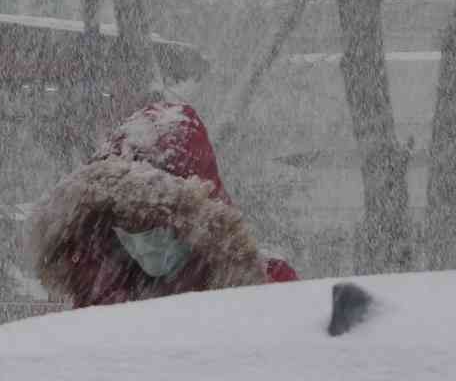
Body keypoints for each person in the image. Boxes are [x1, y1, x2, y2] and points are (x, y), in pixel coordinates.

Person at [31, 100, 298, 308]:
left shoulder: (268, 288)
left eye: (159, 225)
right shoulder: (101, 296)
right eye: (128, 225)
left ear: (201, 223)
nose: (144, 240)